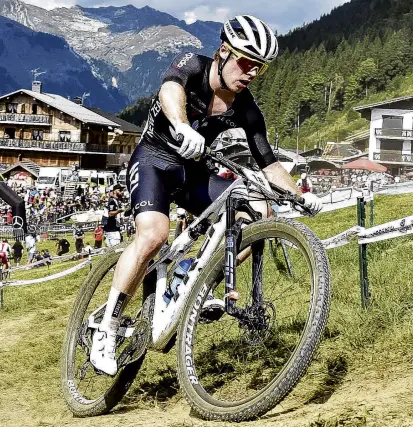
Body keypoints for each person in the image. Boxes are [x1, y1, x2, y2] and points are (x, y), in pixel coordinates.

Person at [89, 15, 324, 375]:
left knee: (258, 213)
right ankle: (107, 326)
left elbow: (269, 164)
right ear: (223, 52)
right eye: (245, 62)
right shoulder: (194, 66)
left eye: (258, 68)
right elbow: (171, 91)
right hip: (154, 161)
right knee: (153, 235)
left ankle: (191, 271)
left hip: (195, 172)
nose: (250, 73)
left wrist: (301, 195)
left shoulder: (246, 107)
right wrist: (182, 126)